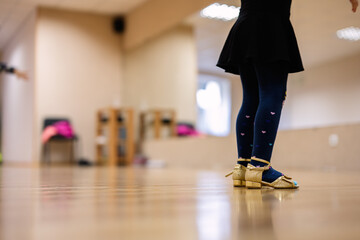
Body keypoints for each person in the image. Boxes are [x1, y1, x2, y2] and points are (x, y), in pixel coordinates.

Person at [220, 0, 358, 189]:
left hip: (245, 24)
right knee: (272, 94)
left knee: (251, 98)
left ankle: (243, 167)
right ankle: (260, 167)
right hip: (270, 24)